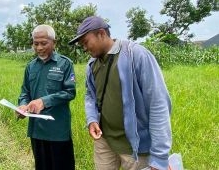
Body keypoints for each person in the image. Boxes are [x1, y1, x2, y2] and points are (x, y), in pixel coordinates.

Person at [69, 16, 172, 170]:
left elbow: (158, 104)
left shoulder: (136, 55)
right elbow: (90, 95)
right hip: (104, 141)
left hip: (135, 148)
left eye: (85, 42)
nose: (84, 48)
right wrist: (92, 119)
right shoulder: (92, 65)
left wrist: (159, 157)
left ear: (101, 33)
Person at [17, 24, 76, 170]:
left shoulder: (65, 64)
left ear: (54, 42)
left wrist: (44, 101)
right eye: (35, 43)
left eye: (44, 43)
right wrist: (23, 105)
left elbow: (70, 92)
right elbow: (25, 92)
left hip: (58, 130)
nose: (39, 48)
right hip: (37, 130)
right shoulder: (31, 66)